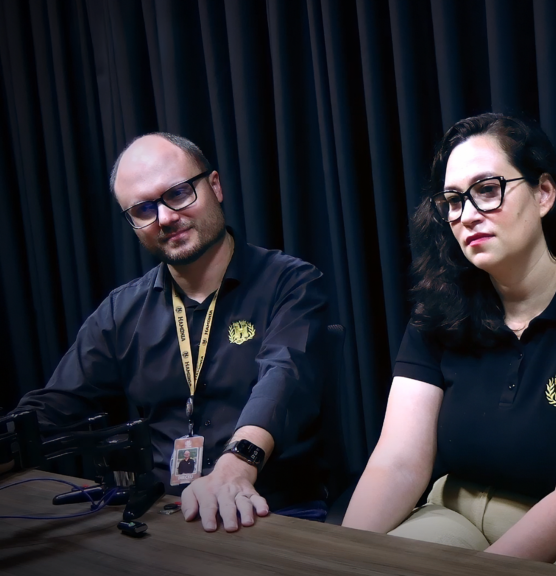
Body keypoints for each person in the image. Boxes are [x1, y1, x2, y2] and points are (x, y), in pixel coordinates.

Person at [342, 113, 556, 572]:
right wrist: (338, 557)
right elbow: (397, 461)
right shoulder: (438, 312)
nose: (466, 215)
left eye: (487, 189)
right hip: (451, 515)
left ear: (544, 193)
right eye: (453, 200)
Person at [4, 133, 329, 529]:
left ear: (214, 186)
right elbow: (57, 405)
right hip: (165, 513)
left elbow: (284, 376)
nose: (165, 217)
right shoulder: (121, 311)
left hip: (271, 508)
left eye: (177, 193)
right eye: (143, 209)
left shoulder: (291, 282)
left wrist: (236, 466)